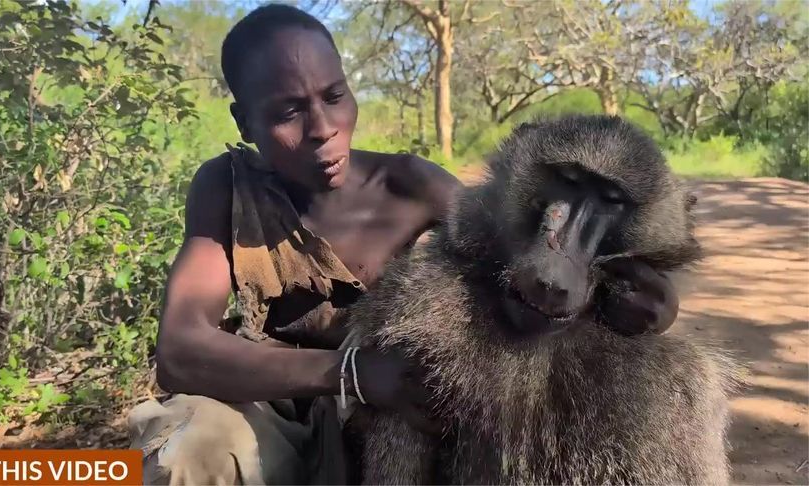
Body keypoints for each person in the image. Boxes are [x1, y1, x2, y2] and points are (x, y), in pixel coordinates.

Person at [127, 4, 680, 485]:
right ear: (244, 121)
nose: (322, 127)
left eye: (334, 96)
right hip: (267, 404)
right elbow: (180, 352)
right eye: (287, 112)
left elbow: (527, 259)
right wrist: (354, 374)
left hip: (375, 418)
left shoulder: (410, 185)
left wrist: (646, 298)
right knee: (193, 450)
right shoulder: (225, 187)